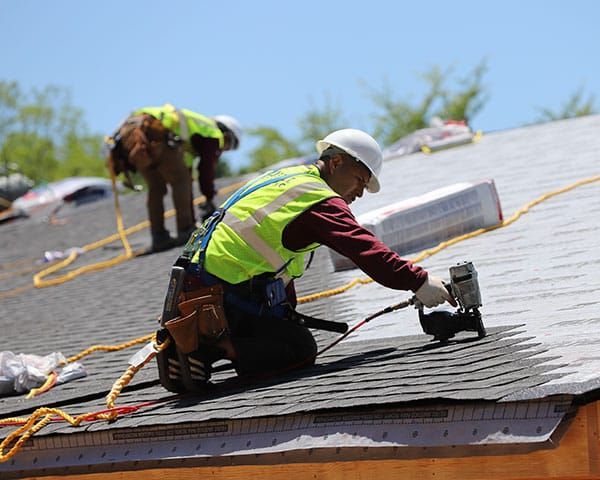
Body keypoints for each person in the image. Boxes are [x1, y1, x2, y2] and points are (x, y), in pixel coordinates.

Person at [156, 128, 456, 393]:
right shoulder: (318, 198)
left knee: (283, 331)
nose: (360, 194)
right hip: (220, 295)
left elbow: (273, 267)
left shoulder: (287, 178)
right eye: (359, 181)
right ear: (336, 162)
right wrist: (418, 281)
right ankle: (212, 347)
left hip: (196, 293)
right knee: (298, 349)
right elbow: (365, 249)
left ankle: (192, 345)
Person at [106, 104, 241, 252]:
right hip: (153, 131)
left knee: (157, 187)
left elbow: (189, 174)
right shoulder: (213, 134)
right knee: (180, 181)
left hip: (132, 136)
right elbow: (205, 170)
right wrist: (209, 197)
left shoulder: (191, 138)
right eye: (230, 144)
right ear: (226, 133)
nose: (224, 149)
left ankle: (159, 237)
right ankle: (185, 230)